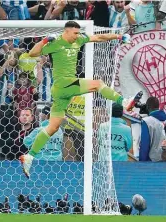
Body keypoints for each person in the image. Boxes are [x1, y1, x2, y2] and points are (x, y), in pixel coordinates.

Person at [19, 21, 137, 178]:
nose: (77, 35)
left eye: (78, 33)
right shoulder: (56, 43)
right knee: (98, 84)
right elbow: (33, 53)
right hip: (62, 83)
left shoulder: (79, 39)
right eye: (74, 33)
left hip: (63, 92)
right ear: (66, 32)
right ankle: (124, 101)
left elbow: (98, 38)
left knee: (52, 128)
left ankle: (30, 156)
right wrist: (45, 40)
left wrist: (118, 36)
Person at [139, 97, 166, 162]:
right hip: (163, 158)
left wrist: (141, 162)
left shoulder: (147, 121)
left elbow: (145, 144)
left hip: (151, 161)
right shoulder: (163, 120)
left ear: (147, 107)